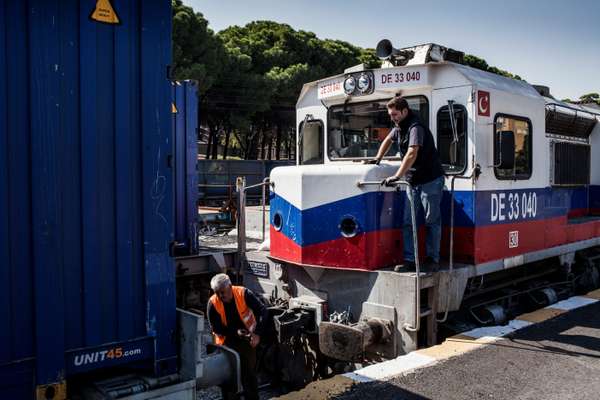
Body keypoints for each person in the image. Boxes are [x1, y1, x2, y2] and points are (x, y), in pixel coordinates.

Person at [369, 95, 445, 272]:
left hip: (431, 180)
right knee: (407, 222)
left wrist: (397, 175)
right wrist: (377, 159)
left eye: (395, 114)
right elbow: (388, 140)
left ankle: (433, 259)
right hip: (413, 181)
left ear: (405, 111)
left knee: (431, 220)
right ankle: (410, 260)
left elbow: (412, 153)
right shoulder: (399, 127)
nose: (392, 118)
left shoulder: (415, 127)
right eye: (390, 115)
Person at [207, 273, 268, 400]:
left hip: (247, 339)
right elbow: (216, 328)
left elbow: (262, 311)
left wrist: (257, 334)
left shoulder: (243, 293)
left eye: (222, 292)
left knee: (249, 375)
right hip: (226, 342)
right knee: (229, 378)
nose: (220, 296)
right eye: (217, 293)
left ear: (230, 286)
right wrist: (235, 332)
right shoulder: (212, 304)